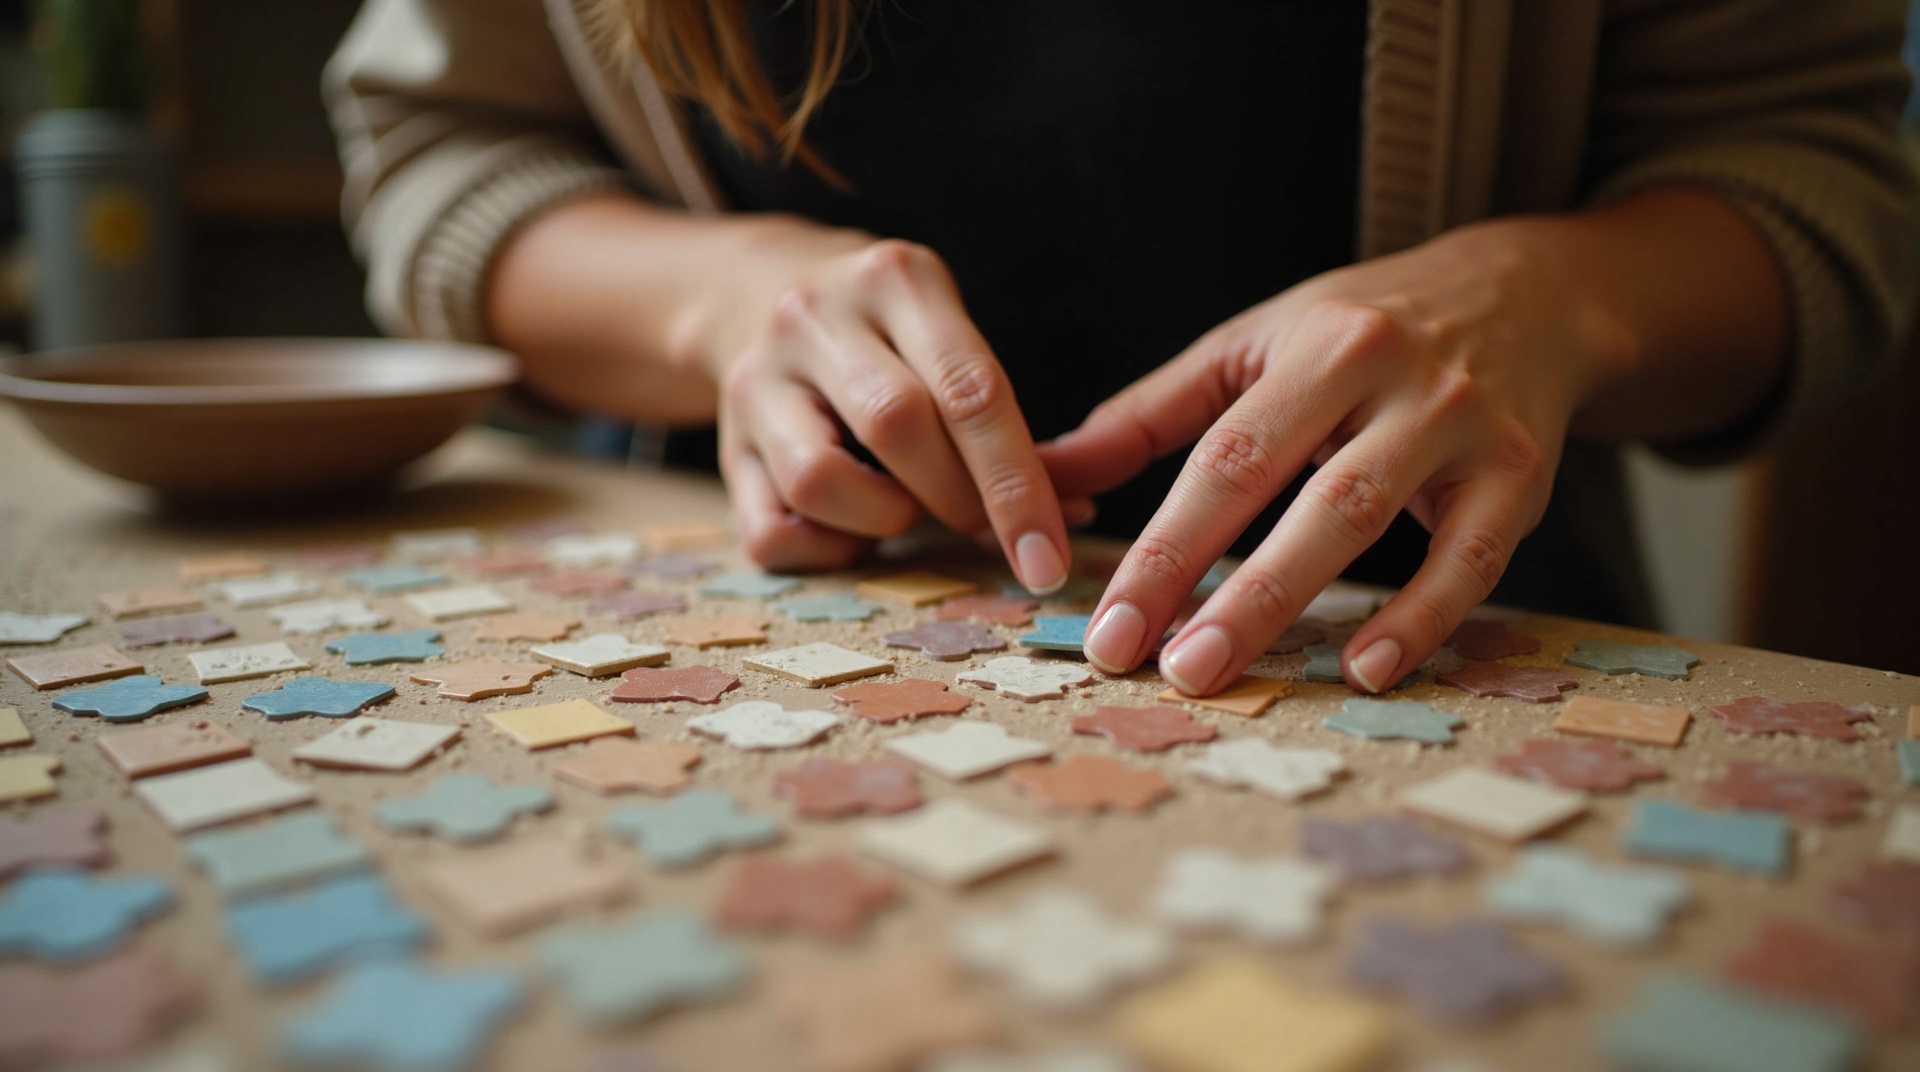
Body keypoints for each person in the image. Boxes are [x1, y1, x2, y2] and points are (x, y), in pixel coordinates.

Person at [325, 0, 1918, 697]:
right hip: (725, 636)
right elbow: (427, 150)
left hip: (1449, 655)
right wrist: (717, 296)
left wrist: (1556, 297)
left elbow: (1825, 171)